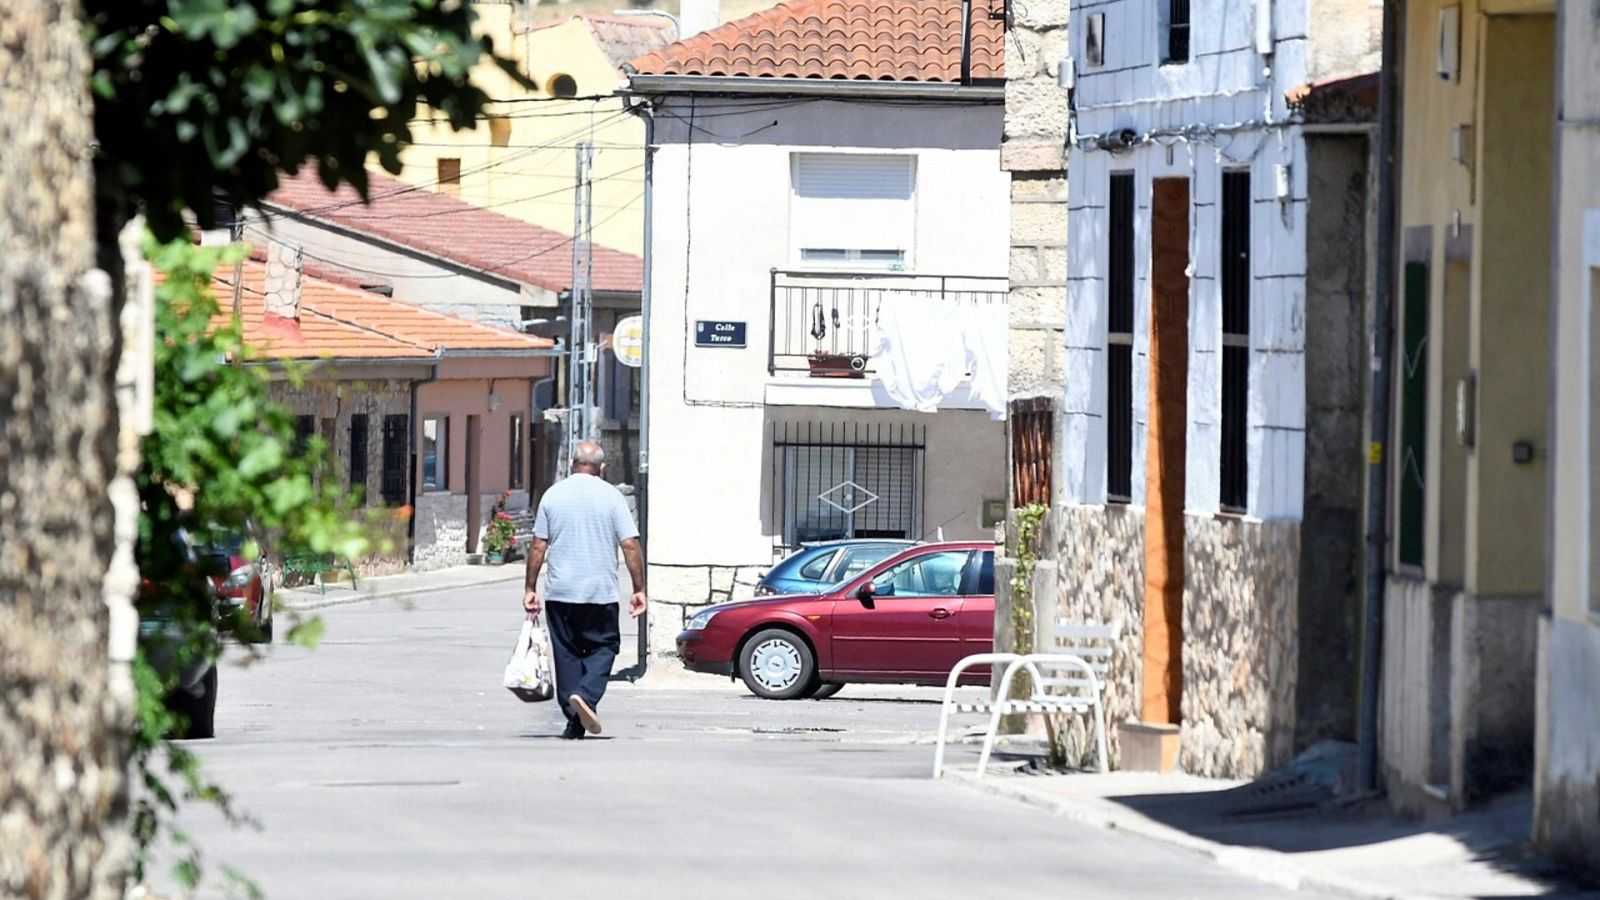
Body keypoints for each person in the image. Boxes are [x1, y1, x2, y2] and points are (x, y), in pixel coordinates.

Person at [523, 441, 647, 739]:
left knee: (566, 654)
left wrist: (530, 587)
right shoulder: (612, 497)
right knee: (604, 647)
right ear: (601, 467)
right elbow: (629, 544)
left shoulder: (552, 496)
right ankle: (587, 695)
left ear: (571, 463)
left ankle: (573, 721)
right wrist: (639, 588)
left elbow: (539, 545)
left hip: (560, 593)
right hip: (599, 593)